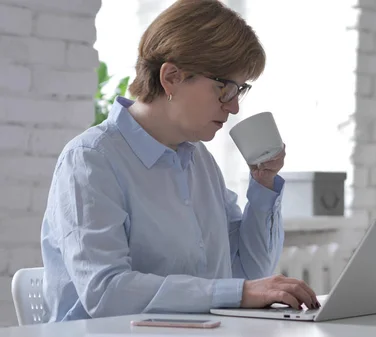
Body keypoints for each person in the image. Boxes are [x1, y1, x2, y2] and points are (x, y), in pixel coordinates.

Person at [40, 0, 319, 322]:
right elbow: (106, 292)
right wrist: (238, 293)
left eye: (240, 90)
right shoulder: (91, 160)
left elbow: (249, 271)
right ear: (171, 77)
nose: (233, 107)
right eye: (224, 88)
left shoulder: (199, 161)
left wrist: (263, 184)